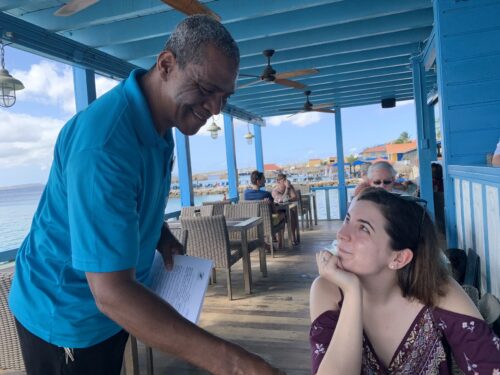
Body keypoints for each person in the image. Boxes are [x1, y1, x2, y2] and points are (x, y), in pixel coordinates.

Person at [9, 15, 284, 375]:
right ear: (166, 65)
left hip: (108, 311)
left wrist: (160, 233)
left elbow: (135, 203)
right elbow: (111, 293)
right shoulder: (104, 145)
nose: (216, 108)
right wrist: (236, 364)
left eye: (224, 96)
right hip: (66, 316)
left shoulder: (162, 123)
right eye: (205, 89)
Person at [310, 188, 500, 374]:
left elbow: (489, 364)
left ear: (399, 258)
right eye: (348, 219)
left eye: (363, 228)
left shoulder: (437, 291)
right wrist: (352, 292)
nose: (341, 233)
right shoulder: (328, 290)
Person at [272, 173, 299, 245]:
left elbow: (295, 197)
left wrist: (288, 198)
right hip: (279, 211)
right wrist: (287, 189)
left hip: (288, 209)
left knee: (292, 215)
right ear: (278, 181)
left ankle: (293, 237)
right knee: (282, 216)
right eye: (284, 180)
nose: (286, 182)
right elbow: (281, 200)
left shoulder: (290, 187)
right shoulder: (275, 191)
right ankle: (280, 239)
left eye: (286, 180)